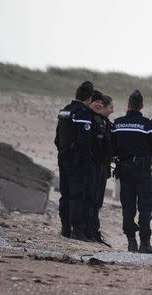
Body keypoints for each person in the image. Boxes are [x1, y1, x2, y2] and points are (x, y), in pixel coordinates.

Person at [111, 90, 152, 253]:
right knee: (145, 207)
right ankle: (145, 244)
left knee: (128, 207)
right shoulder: (147, 124)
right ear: (141, 106)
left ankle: (131, 242)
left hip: (124, 170)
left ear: (128, 105)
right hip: (142, 171)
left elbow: (111, 147)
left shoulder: (117, 123)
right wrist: (149, 159)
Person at [54, 81, 95, 241]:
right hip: (77, 160)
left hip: (63, 156)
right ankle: (76, 230)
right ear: (89, 98)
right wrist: (85, 160)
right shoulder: (83, 113)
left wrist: (63, 151)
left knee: (65, 194)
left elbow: (57, 138)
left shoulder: (65, 111)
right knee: (77, 195)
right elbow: (84, 141)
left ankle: (65, 228)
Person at [87, 91, 114, 245]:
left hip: (102, 166)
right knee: (92, 200)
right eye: (110, 107)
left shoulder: (105, 123)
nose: (112, 110)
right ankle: (89, 231)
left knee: (97, 201)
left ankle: (93, 232)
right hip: (95, 166)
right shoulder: (95, 122)